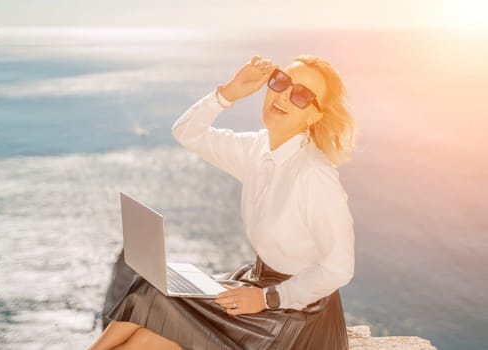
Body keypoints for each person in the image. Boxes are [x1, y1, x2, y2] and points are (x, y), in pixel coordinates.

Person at [88, 54, 357, 350]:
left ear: (316, 115)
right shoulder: (257, 150)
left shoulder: (314, 175)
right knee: (150, 291)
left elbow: (339, 268)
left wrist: (267, 298)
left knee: (153, 303)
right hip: (258, 287)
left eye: (302, 95)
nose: (284, 96)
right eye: (280, 82)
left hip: (296, 320)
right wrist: (228, 92)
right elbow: (187, 132)